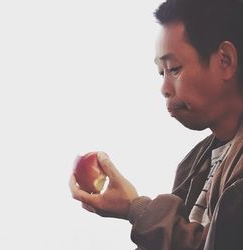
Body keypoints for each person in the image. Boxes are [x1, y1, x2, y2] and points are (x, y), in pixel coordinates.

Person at [69, 0, 243, 249]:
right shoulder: (194, 163)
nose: (164, 89)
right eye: (161, 73)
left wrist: (136, 209)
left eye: (174, 69)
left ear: (225, 60)